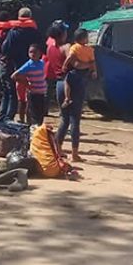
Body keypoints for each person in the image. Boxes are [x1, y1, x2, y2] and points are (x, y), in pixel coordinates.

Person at [56, 29, 96, 162]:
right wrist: (92, 69)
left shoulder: (55, 47)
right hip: (78, 83)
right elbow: (81, 65)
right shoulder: (88, 50)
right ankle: (74, 154)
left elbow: (69, 61)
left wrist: (64, 65)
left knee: (64, 119)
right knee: (75, 120)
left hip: (62, 82)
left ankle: (58, 149)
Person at [0, 7, 40, 121]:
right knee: (31, 95)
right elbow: (41, 47)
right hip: (32, 67)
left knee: (20, 97)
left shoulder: (13, 32)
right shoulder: (35, 32)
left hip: (16, 68)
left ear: (19, 17)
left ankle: (20, 120)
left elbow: (5, 49)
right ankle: (30, 122)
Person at [12, 44, 48, 126]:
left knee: (41, 112)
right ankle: (31, 128)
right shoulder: (28, 64)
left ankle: (38, 128)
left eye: (35, 52)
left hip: (42, 93)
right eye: (30, 52)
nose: (33, 54)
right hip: (33, 93)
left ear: (40, 53)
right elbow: (14, 76)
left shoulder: (42, 63)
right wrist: (26, 84)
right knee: (33, 113)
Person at [62, 28, 97, 109]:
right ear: (84, 39)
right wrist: (94, 71)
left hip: (76, 70)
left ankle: (67, 97)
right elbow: (92, 62)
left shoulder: (74, 47)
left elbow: (70, 57)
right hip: (85, 72)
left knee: (67, 81)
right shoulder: (90, 50)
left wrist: (64, 65)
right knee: (81, 87)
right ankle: (79, 105)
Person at [44, 20, 70, 115]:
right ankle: (45, 110)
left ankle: (45, 111)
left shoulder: (50, 43)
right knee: (49, 91)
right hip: (53, 70)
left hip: (54, 70)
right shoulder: (61, 45)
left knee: (50, 91)